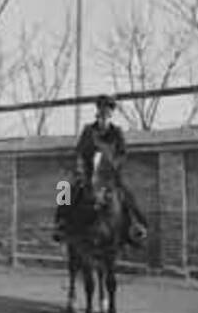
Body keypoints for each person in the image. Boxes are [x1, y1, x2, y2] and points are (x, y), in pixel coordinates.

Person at [55, 94, 147, 247]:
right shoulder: (88, 130)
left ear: (111, 115)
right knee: (64, 187)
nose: (104, 117)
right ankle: (60, 223)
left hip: (109, 173)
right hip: (88, 171)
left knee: (127, 194)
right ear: (97, 114)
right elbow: (79, 152)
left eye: (107, 114)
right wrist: (80, 169)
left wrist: (113, 166)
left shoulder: (116, 132)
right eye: (101, 113)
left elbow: (122, 153)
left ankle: (136, 226)